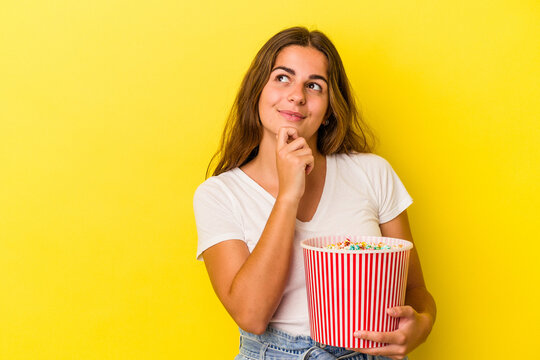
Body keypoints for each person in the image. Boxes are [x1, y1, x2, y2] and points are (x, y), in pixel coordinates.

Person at [193, 26, 436, 360]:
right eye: (282, 78)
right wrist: (288, 195)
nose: (297, 95)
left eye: (314, 85)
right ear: (257, 91)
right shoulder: (219, 195)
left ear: (329, 110)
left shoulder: (372, 173)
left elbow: (415, 291)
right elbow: (251, 315)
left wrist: (421, 326)